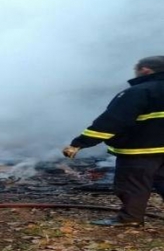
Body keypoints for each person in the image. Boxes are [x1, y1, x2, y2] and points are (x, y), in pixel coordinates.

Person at [63, 56, 164, 227]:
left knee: (133, 185)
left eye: (136, 69)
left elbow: (112, 122)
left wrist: (79, 143)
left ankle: (130, 218)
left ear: (145, 70)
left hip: (140, 151)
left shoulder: (138, 92)